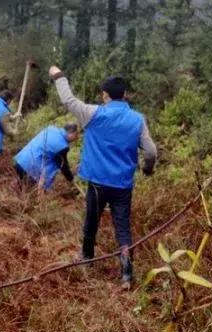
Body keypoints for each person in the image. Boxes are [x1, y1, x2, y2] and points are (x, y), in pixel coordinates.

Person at [49, 66, 157, 287]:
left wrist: (59, 76)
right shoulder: (137, 119)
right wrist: (147, 168)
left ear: (104, 95)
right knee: (122, 227)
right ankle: (126, 274)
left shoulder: (93, 113)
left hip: (97, 183)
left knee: (91, 220)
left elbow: (68, 101)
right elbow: (151, 152)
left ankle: (87, 259)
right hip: (122, 185)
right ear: (125, 94)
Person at [14, 124, 80, 191]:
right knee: (27, 192)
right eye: (76, 135)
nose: (77, 138)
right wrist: (71, 179)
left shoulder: (51, 129)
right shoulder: (62, 146)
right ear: (71, 133)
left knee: (17, 190)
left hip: (21, 160)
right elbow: (63, 165)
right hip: (30, 169)